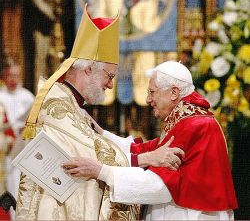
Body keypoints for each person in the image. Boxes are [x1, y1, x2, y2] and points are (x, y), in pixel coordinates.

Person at [15, 5, 182, 220]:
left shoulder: (71, 102)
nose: (111, 85)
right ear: (89, 68)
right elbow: (91, 156)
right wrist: (149, 157)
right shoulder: (56, 103)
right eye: (109, 76)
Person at [63, 61, 238, 220]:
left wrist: (101, 171)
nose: (148, 99)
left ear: (174, 93)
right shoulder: (186, 118)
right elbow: (143, 150)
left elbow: (160, 186)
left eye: (152, 92)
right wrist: (100, 133)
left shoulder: (196, 124)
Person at [0, 57, 34, 219]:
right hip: (6, 152)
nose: (13, 79)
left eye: (16, 75)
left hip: (24, 149)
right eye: (10, 75)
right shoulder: (1, 97)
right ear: (4, 76)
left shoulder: (27, 97)